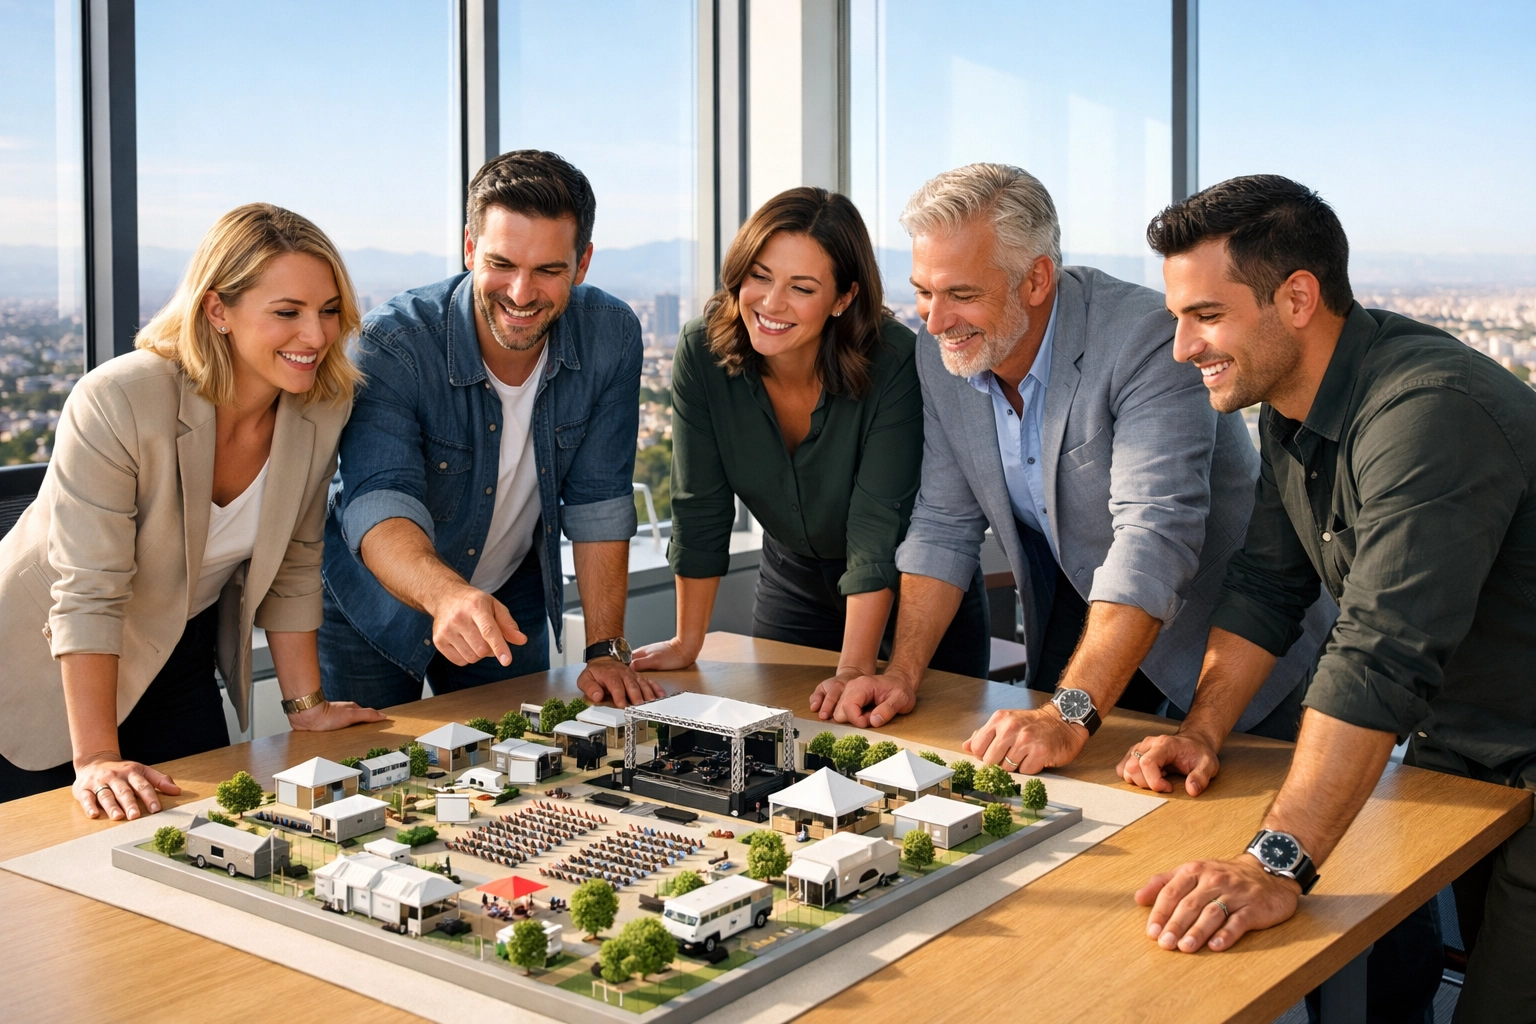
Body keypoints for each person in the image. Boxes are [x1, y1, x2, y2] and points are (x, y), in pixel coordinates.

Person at [1124, 175, 1536, 1023]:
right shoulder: (1292, 406)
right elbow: (1266, 586)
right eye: (1177, 318)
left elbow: (1379, 651)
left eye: (1206, 315)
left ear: (1298, 298)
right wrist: (1202, 732)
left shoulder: (1428, 413)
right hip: (1464, 753)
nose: (1182, 347)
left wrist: (1273, 863)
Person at [826, 163, 1330, 767]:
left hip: (1233, 658)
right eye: (924, 292)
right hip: (1084, 646)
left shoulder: (1146, 338)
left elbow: (1154, 538)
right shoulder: (944, 357)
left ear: (1037, 279)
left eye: (962, 295)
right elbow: (941, 525)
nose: (935, 322)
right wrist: (902, 674)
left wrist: (1066, 715)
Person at [0, 203, 386, 814]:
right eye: (287, 312)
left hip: (179, 650)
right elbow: (90, 592)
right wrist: (96, 755)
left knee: (206, 828)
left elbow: (295, 561)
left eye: (329, 310)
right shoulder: (117, 399)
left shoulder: (321, 406)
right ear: (217, 310)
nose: (316, 336)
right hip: (45, 657)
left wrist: (306, 708)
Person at [319, 150, 660, 709]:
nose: (521, 294)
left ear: (582, 264)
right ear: (470, 248)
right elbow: (379, 500)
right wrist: (447, 595)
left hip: (506, 593)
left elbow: (599, 501)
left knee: (515, 754)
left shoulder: (612, 335)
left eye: (548, 270)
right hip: (371, 604)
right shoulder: (395, 343)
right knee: (370, 762)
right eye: (502, 263)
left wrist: (605, 649)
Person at [629, 187, 990, 692]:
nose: (771, 303)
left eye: (801, 288)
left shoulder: (895, 361)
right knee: (777, 732)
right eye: (760, 276)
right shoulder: (701, 352)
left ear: (843, 298)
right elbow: (699, 505)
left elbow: (876, 526)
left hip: (910, 594)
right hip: (792, 584)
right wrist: (688, 641)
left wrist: (853, 670)